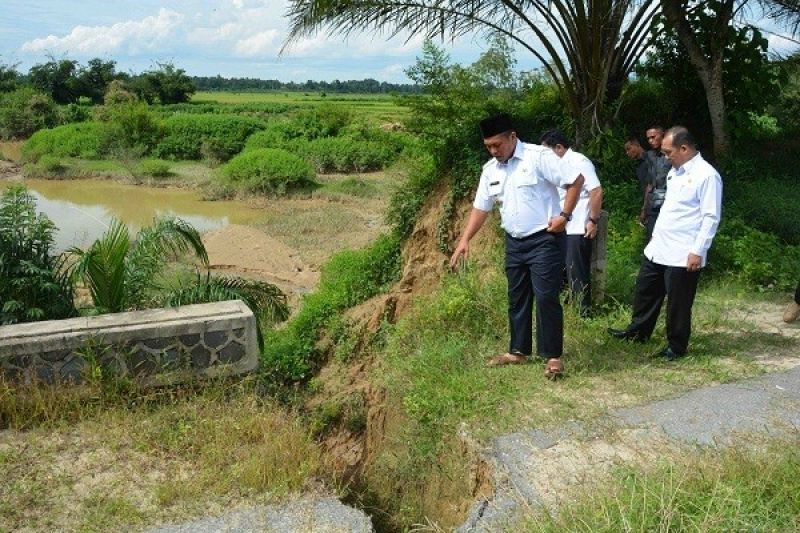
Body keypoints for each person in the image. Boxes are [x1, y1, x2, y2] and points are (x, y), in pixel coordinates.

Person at [449, 113, 584, 378]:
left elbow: (576, 180)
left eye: (497, 144)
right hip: (514, 242)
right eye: (488, 146)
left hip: (544, 239)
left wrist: (565, 216)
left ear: (512, 137)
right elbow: (481, 207)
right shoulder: (490, 170)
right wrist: (465, 239)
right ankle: (518, 351)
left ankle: (553, 356)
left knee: (546, 297)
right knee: (517, 297)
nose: (493, 150)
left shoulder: (538, 157)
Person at [608, 126, 722, 359]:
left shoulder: (707, 175)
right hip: (660, 245)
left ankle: (676, 346)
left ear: (684, 148)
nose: (665, 156)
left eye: (669, 152)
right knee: (646, 289)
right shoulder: (674, 171)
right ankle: (638, 332)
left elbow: (711, 217)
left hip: (684, 250)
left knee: (678, 302)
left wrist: (698, 251)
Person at [540, 129, 603, 316]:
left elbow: (596, 190)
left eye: (546, 151)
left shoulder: (578, 161)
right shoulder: (556, 165)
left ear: (558, 147)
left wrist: (592, 220)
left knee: (576, 269)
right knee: (562, 267)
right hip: (561, 224)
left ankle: (582, 312)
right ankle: (567, 304)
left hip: (578, 224)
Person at [641, 126, 672, 242]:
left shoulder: (672, 155)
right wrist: (644, 209)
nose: (650, 141)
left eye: (653, 137)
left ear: (662, 135)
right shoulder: (650, 156)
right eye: (648, 138)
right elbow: (649, 184)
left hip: (670, 202)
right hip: (655, 203)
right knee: (652, 238)